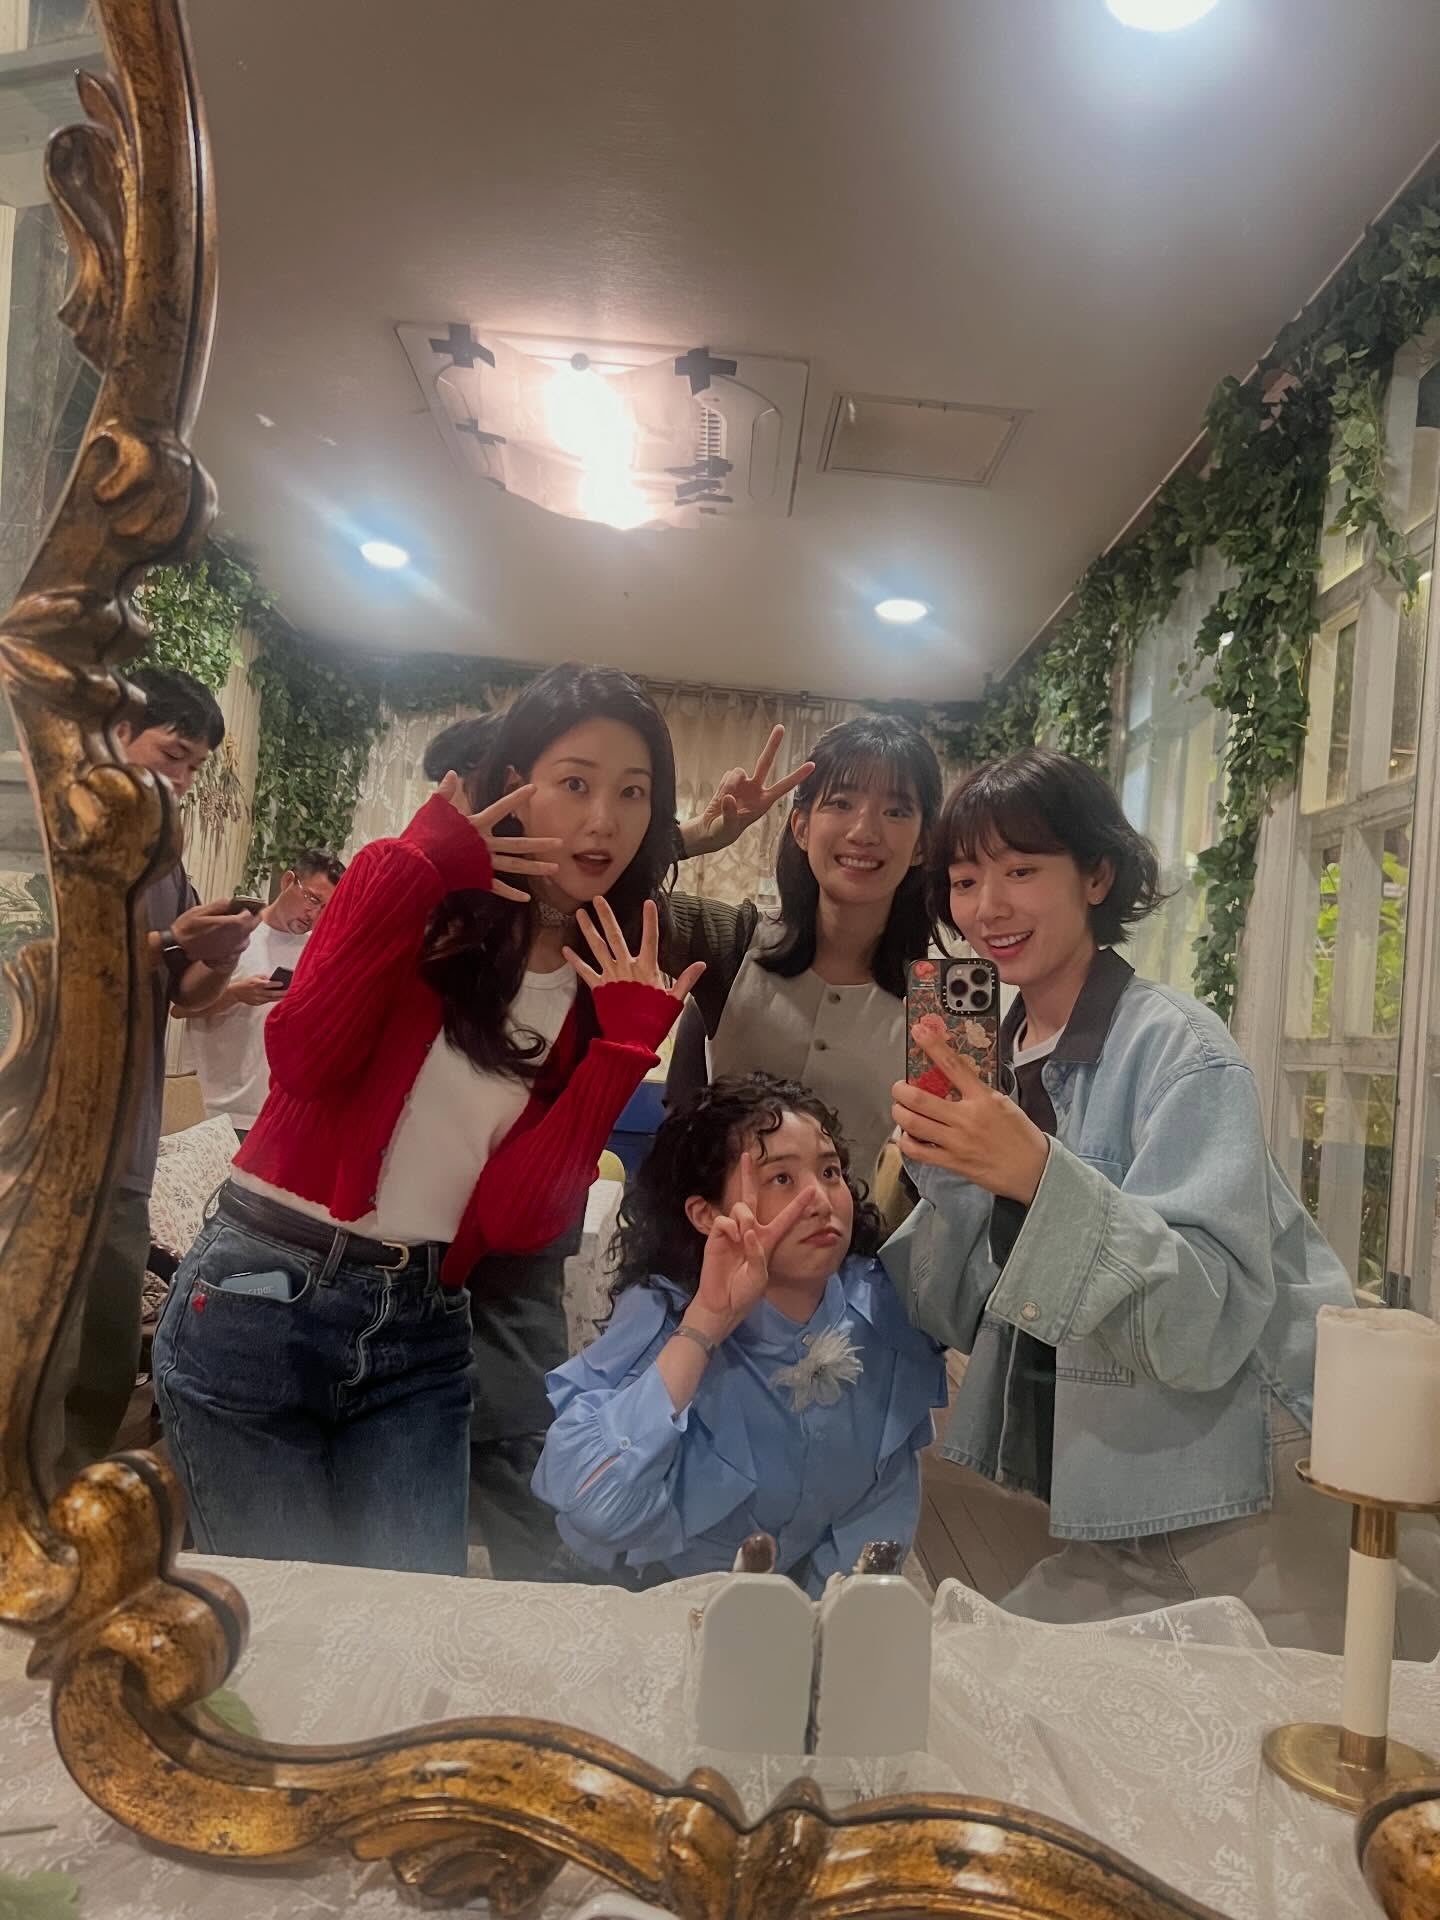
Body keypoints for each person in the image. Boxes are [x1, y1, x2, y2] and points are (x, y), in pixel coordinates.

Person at [153, 664, 713, 1576]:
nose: (604, 820)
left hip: (424, 1321)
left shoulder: (596, 984)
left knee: (407, 1621)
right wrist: (408, 867)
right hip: (264, 1288)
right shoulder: (413, 894)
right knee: (291, 1624)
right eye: (575, 783)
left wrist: (619, 1054)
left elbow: (516, 1219)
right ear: (514, 784)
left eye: (632, 793)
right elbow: (303, 1058)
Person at [882, 747, 1360, 1651]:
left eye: (1022, 871)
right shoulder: (1004, 1058)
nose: (988, 907)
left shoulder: (1180, 1052)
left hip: (1247, 1486)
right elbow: (958, 1312)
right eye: (966, 880)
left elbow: (1201, 1321)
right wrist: (945, 1167)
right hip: (1129, 1495)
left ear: (1097, 876)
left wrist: (1036, 1174)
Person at [534, 1074, 946, 1594]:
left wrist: (820, 1617)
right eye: (781, 1178)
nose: (820, 1200)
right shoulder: (665, 1315)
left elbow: (878, 1507)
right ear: (706, 1214)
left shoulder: (879, 1308)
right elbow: (596, 1508)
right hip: (652, 1592)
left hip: (792, 1605)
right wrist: (708, 1323)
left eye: (830, 1171)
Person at [48, 666, 254, 1484]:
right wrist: (172, 942)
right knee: (36, 1354)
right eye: (174, 754)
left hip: (127, 1146)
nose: (183, 779)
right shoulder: (62, 835)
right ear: (116, 735)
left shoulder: (166, 859)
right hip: (51, 1138)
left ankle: (75, 1513)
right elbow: (54, 961)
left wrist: (218, 953)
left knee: (102, 1358)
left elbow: (183, 996)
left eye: (195, 767)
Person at [664, 715, 943, 1191]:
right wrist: (692, 837)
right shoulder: (732, 942)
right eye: (841, 802)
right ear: (801, 826)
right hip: (710, 1230)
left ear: (922, 845)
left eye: (896, 811)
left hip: (845, 1236)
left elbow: (949, 1174)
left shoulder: (934, 1002)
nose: (864, 831)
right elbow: (601, 900)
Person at [175, 849, 345, 1141]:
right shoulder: (235, 932)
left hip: (279, 1114)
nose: (314, 914)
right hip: (214, 1110)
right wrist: (236, 994)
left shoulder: (317, 954)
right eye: (312, 899)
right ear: (288, 881)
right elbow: (180, 1009)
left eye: (326, 908)